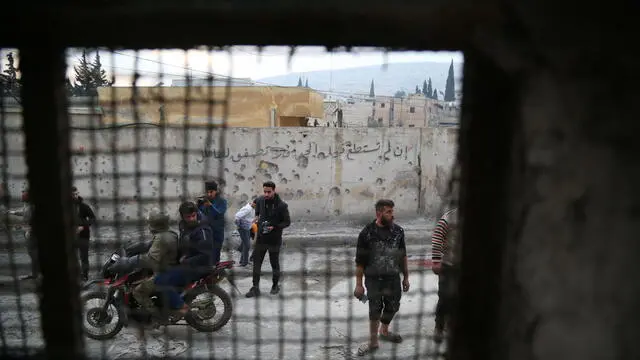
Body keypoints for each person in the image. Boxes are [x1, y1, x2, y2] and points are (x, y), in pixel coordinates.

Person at [353, 199, 410, 357]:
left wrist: (406, 276)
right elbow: (360, 262)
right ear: (379, 213)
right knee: (375, 309)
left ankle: (384, 330)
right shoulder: (367, 233)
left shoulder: (398, 231)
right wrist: (359, 285)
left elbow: (403, 256)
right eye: (388, 212)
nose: (393, 215)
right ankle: (373, 342)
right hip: (373, 279)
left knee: (393, 306)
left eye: (392, 211)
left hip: (393, 278)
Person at [106, 209, 180, 315]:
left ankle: (157, 317)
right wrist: (130, 248)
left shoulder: (162, 238)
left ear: (155, 224)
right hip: (165, 268)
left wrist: (128, 262)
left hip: (163, 274)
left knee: (138, 291)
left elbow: (149, 259)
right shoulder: (168, 233)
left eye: (150, 222)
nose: (148, 224)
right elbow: (150, 245)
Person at [154, 201, 214, 320]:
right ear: (182, 216)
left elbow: (205, 255)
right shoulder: (183, 225)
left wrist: (185, 261)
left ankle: (181, 307)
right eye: (188, 217)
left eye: (193, 215)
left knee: (160, 281)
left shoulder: (203, 230)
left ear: (196, 213)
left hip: (198, 266)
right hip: (188, 262)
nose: (191, 218)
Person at [245, 181, 291, 298]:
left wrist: (274, 226)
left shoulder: (282, 205)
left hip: (274, 239)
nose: (266, 194)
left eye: (269, 192)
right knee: (256, 263)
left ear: (274, 191)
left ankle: (275, 285)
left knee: (274, 263)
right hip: (261, 238)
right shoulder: (260, 200)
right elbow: (257, 212)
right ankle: (255, 288)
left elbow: (287, 222)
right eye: (264, 191)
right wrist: (255, 218)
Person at [431, 207, 459, 344]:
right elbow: (437, 238)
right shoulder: (449, 218)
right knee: (445, 297)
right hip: (449, 265)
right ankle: (439, 328)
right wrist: (436, 261)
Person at [197, 180, 227, 265]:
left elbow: (219, 213)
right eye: (207, 192)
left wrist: (210, 206)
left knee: (215, 255)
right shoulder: (205, 201)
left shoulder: (222, 201)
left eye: (211, 192)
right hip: (207, 232)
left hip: (217, 233)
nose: (209, 194)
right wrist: (198, 206)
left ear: (216, 191)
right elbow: (200, 214)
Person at [72, 186, 96, 281]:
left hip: (83, 236)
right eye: (73, 194)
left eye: (77, 194)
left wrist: (83, 227)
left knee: (84, 257)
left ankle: (85, 276)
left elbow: (93, 219)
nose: (76, 196)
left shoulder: (83, 206)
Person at [234, 197, 257, 267]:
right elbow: (237, 216)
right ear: (254, 203)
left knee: (245, 245)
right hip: (243, 228)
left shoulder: (252, 208)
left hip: (247, 228)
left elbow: (249, 218)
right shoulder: (248, 209)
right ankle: (244, 263)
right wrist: (238, 226)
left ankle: (243, 261)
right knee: (247, 245)